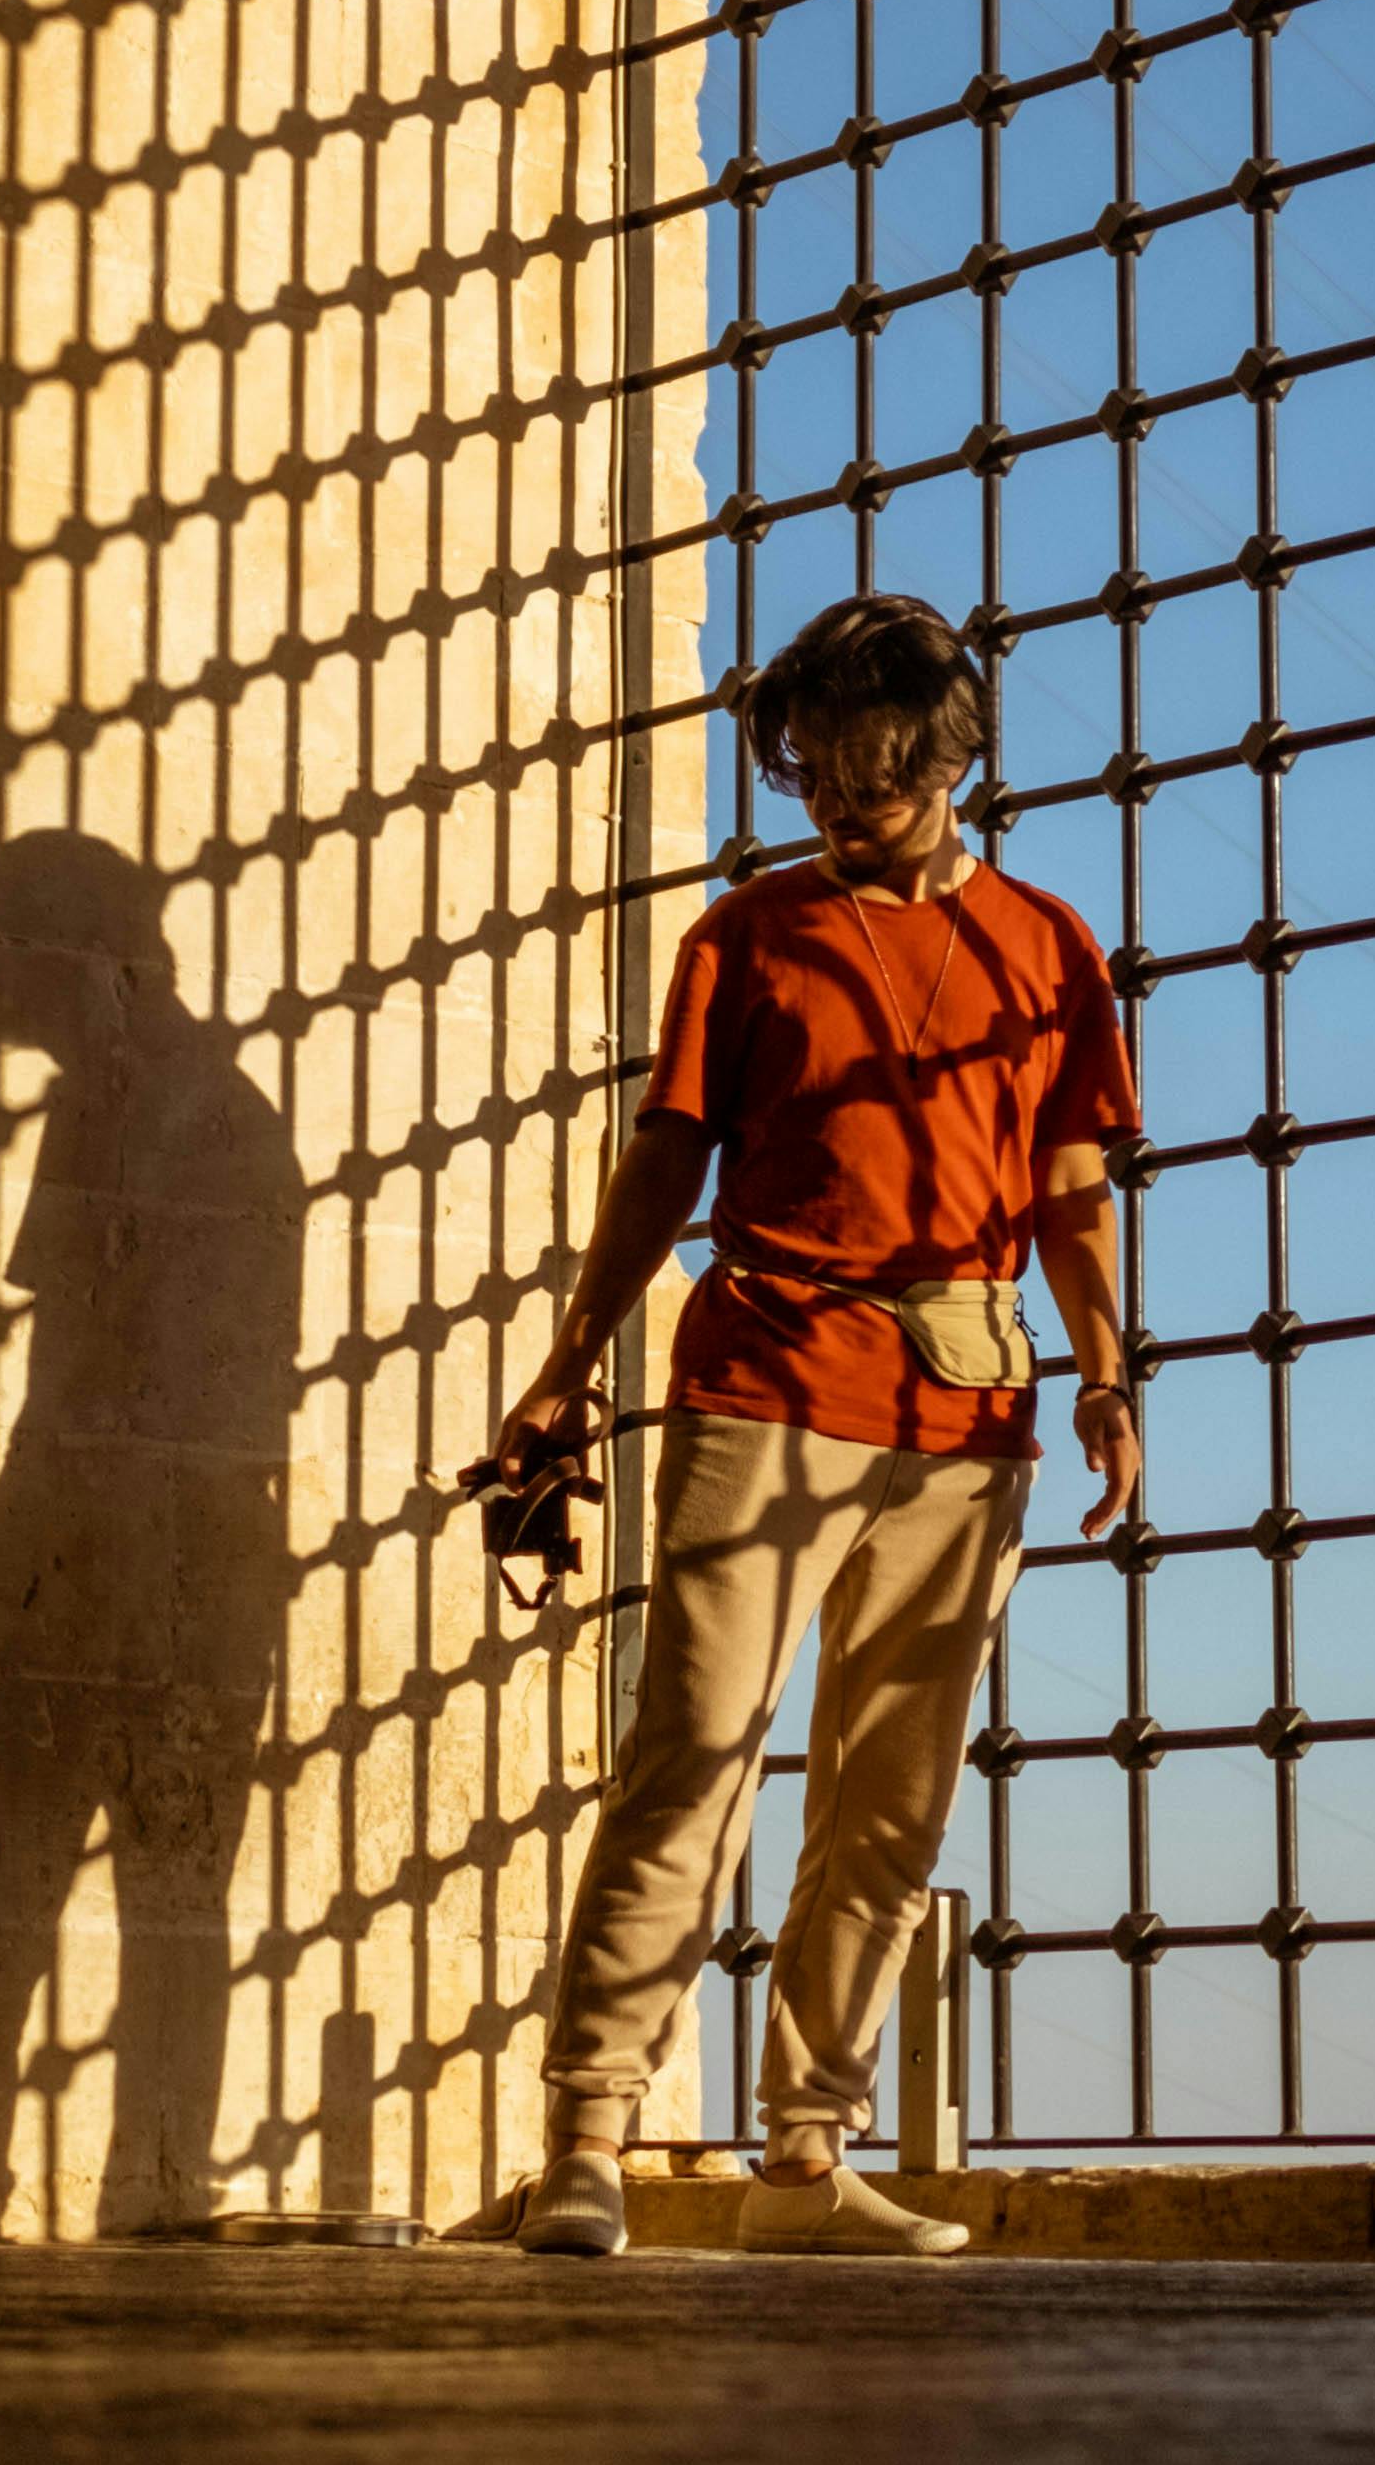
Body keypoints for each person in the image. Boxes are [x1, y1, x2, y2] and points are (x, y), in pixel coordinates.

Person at [485, 590, 1141, 2256]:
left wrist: (1108, 1377)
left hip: (972, 1410)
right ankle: (590, 2139)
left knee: (893, 1793)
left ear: (943, 755)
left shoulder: (1051, 947)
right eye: (815, 771)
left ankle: (802, 2159)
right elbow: (668, 1157)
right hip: (763, 1382)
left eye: (872, 770)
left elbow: (1072, 1185)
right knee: (692, 1756)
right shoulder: (747, 937)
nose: (840, 801)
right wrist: (570, 1357)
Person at [0, 830, 303, 2242]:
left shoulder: (166, 1115)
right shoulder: (156, 1104)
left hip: (130, 1560)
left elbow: (100, 1379)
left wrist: (13, 1539)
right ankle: (143, 2193)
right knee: (164, 1908)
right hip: (168, 1561)